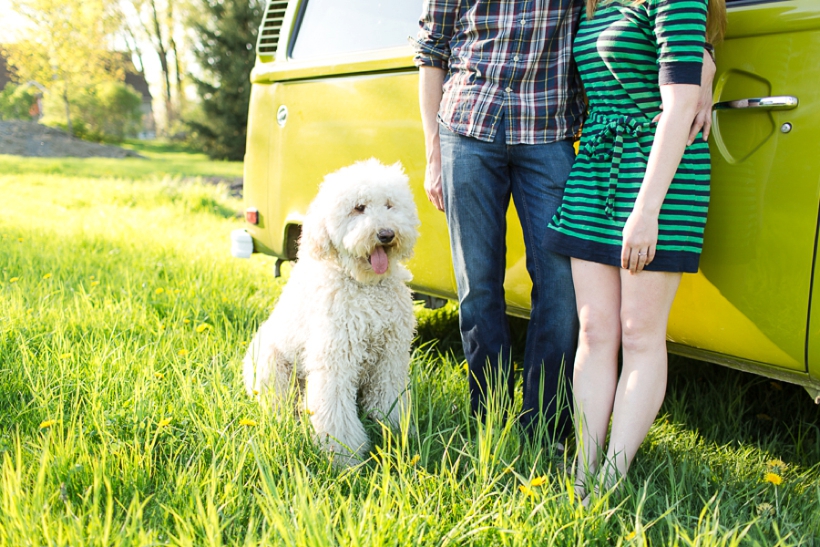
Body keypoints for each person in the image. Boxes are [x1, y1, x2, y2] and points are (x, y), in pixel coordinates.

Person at [414, 0, 716, 445]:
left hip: (548, 133)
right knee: (477, 287)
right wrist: (433, 151)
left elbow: (662, 28)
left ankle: (546, 430)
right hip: (467, 126)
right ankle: (489, 423)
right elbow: (431, 49)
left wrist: (703, 62)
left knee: (560, 291)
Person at [543, 0, 726, 495]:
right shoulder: (598, 4)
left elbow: (679, 105)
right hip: (596, 171)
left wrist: (646, 213)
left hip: (657, 180)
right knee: (596, 330)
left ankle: (610, 480)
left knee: (640, 334)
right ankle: (581, 473)